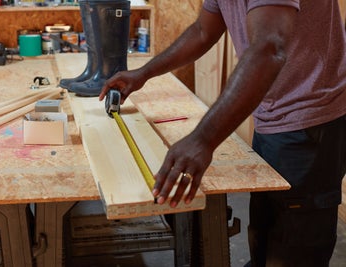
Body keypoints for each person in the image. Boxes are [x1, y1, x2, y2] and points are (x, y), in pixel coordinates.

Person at [99, 1, 346, 266]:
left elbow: (269, 48)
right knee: (266, 233)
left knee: (295, 250)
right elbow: (203, 31)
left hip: (311, 122)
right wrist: (144, 73)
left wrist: (202, 140)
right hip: (271, 116)